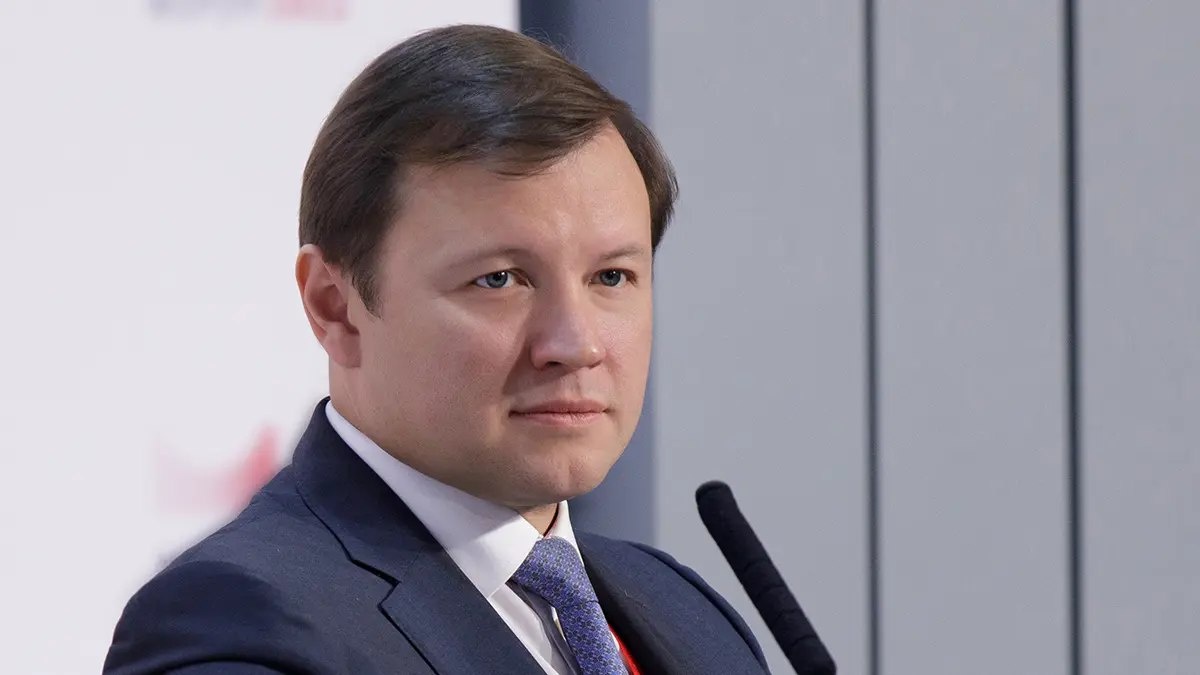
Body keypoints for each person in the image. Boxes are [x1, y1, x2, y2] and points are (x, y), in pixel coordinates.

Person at [104, 24, 770, 674]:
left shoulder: (684, 608)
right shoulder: (240, 622)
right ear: (335, 306)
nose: (576, 344)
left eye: (611, 277)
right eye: (499, 279)